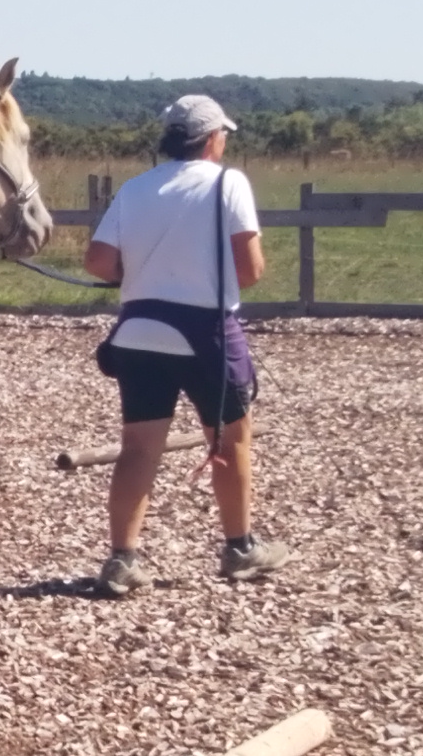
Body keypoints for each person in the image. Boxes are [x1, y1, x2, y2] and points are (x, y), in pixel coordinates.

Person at [82, 93, 285, 596]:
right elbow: (251, 269)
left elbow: (99, 264)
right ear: (213, 138)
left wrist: (147, 272)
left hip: (139, 332)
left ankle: (121, 558)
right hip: (205, 333)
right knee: (230, 440)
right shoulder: (227, 183)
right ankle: (239, 547)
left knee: (137, 449)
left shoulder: (133, 189)